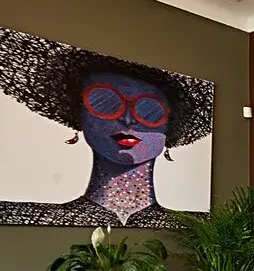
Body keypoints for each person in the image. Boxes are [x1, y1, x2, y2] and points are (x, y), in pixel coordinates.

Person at [0, 27, 214, 228]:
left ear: (169, 127)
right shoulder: (26, 215)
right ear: (80, 113)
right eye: (105, 102)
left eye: (149, 111)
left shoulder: (197, 227)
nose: (128, 119)